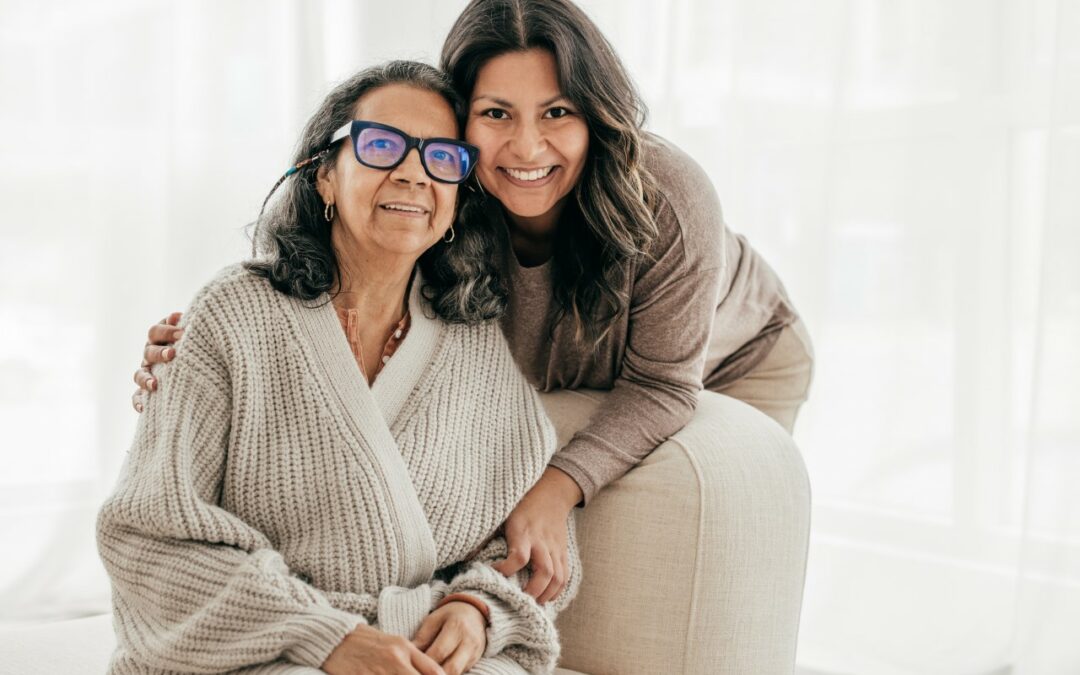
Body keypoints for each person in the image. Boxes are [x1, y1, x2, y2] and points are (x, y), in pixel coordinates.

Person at [132, 0, 813, 608]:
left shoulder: (668, 193)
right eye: (495, 114)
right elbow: (348, 267)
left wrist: (556, 486)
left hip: (737, 356)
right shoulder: (443, 189)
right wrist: (213, 351)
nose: (525, 146)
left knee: (695, 539)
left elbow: (662, 385)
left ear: (595, 116)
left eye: (557, 112)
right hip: (560, 375)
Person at [101, 60, 579, 675]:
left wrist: (476, 608)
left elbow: (526, 550)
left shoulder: (478, 341)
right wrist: (326, 637)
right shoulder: (234, 316)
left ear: (458, 196)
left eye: (442, 158)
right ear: (325, 176)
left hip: (429, 651)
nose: (413, 173)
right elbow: (152, 534)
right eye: (381, 146)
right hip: (267, 647)